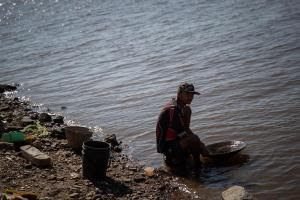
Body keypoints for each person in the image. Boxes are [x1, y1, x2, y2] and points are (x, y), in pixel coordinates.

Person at [156, 82, 209, 173]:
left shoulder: (184, 108)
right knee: (194, 139)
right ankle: (197, 166)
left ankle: (190, 161)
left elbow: (186, 130)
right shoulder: (172, 110)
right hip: (167, 147)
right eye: (187, 94)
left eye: (192, 95)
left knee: (195, 139)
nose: (191, 97)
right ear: (179, 94)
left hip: (175, 141)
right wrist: (200, 145)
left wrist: (201, 144)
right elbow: (182, 134)